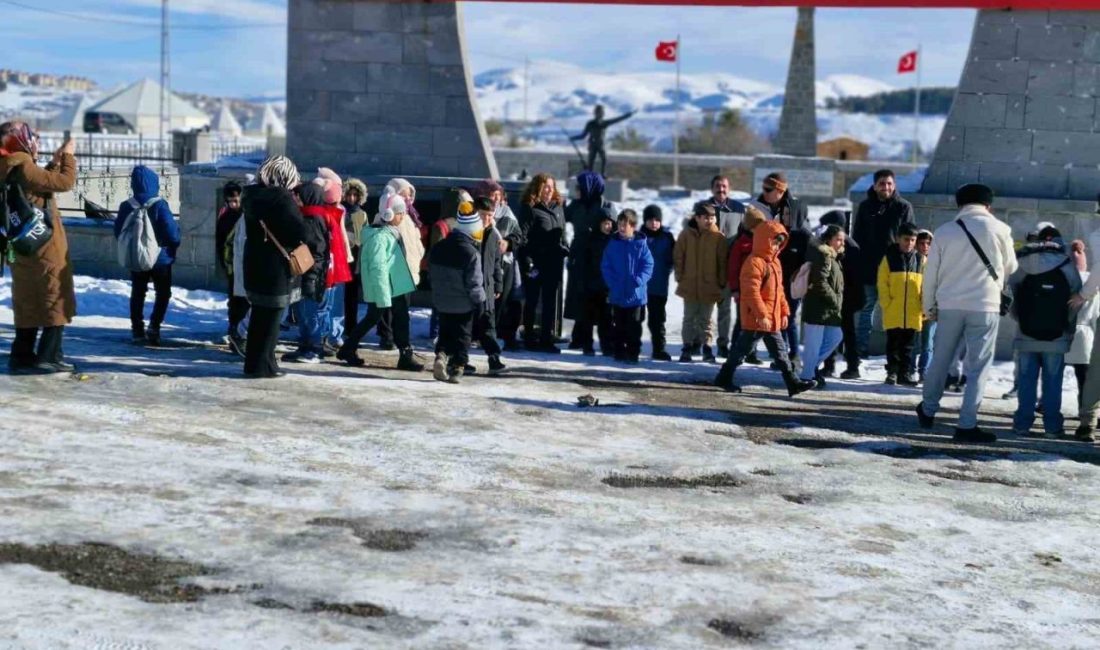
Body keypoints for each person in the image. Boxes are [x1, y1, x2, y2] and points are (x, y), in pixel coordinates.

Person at [915, 183, 1017, 442]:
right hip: (985, 305)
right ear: (988, 205)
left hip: (948, 304)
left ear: (959, 204)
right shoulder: (1001, 230)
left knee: (940, 359)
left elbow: (931, 275)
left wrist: (929, 307)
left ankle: (928, 410)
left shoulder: (945, 231)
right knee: (978, 366)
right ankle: (966, 424)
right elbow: (1011, 267)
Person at [0, 122, 77, 374]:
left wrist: (52, 164)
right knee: (54, 296)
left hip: (23, 248)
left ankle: (22, 355)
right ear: (20, 141)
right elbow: (64, 183)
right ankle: (49, 355)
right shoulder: (21, 164)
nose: (36, 141)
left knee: (28, 300)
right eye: (31, 137)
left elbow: (38, 187)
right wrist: (68, 157)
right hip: (43, 247)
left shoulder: (9, 166)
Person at [713, 221, 816, 397]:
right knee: (741, 352)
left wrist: (784, 312)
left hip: (770, 318)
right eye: (774, 241)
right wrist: (762, 315)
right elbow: (751, 292)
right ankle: (724, 377)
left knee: (780, 353)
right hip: (757, 318)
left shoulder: (774, 263)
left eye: (780, 243)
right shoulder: (754, 262)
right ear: (764, 240)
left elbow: (780, 291)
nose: (777, 246)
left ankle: (793, 383)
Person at [1007, 226, 1081, 438]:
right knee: (1053, 381)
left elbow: (1011, 294)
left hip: (1026, 334)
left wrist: (1021, 319)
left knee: (1026, 379)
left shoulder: (1022, 263)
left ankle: (1022, 424)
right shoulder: (1067, 264)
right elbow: (1076, 300)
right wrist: (1066, 325)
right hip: (1056, 336)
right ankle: (1052, 426)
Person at [338, 193, 424, 372]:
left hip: (396, 286)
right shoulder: (380, 237)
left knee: (399, 319)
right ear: (390, 214)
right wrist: (383, 294)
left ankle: (405, 353)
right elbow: (378, 268)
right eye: (400, 213)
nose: (402, 217)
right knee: (374, 317)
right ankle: (348, 348)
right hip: (386, 288)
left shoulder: (389, 233)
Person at [241, 155, 309, 379]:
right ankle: (265, 365)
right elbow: (298, 231)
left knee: (260, 317)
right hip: (276, 269)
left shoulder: (251, 195)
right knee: (271, 320)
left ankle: (255, 363)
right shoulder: (280, 198)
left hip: (256, 263)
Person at [114, 165, 181, 346]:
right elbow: (172, 234)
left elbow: (118, 232)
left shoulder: (126, 206)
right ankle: (154, 327)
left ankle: (137, 329)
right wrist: (172, 246)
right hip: (161, 259)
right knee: (163, 293)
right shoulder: (159, 205)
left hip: (137, 258)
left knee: (138, 293)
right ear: (154, 183)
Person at [852, 169, 914, 357]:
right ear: (874, 185)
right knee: (867, 309)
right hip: (869, 268)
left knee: (894, 311)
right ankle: (860, 348)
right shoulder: (865, 207)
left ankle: (894, 354)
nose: (885, 187)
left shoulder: (903, 207)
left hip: (895, 268)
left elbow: (910, 238)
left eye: (889, 184)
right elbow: (857, 237)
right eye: (882, 183)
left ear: (894, 185)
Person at [429, 202, 486, 383]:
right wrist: (480, 301)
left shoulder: (438, 248)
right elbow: (474, 283)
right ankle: (458, 368)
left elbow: (432, 276)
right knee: (462, 336)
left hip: (442, 302)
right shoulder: (471, 253)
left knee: (445, 332)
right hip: (463, 305)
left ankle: (441, 355)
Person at [372, 179, 426, 350]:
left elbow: (414, 242)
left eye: (409, 194)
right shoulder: (384, 214)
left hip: (409, 267)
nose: (407, 197)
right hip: (393, 267)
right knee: (386, 305)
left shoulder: (410, 216)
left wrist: (419, 253)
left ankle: (399, 337)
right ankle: (386, 336)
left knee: (402, 306)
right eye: (403, 193)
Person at [518, 173, 568, 353]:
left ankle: (547, 338)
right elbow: (521, 238)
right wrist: (527, 262)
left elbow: (562, 233)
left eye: (551, 186)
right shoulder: (530, 208)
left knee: (550, 302)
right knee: (531, 301)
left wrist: (565, 247)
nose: (549, 190)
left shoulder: (558, 207)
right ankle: (529, 337)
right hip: (535, 264)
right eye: (545, 186)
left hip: (553, 263)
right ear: (537, 188)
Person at [565, 170, 614, 351]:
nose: (576, 190)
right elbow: (561, 216)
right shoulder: (576, 205)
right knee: (580, 296)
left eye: (579, 186)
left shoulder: (605, 205)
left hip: (598, 256)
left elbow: (613, 228)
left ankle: (604, 341)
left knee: (599, 299)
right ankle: (580, 337)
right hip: (579, 256)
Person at [474, 179, 525, 351]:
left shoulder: (508, 213)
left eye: (498, 195)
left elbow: (519, 236)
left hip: (504, 263)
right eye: (491, 195)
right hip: (481, 262)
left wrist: (508, 242)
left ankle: (494, 336)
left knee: (501, 300)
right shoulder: (475, 211)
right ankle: (479, 335)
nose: (495, 198)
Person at [697, 175, 745, 357]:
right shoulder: (702, 208)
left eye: (724, 186)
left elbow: (743, 238)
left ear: (729, 188)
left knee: (724, 310)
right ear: (712, 189)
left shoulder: (739, 209)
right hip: (708, 267)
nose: (721, 189)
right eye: (717, 186)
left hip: (728, 267)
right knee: (706, 310)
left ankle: (723, 344)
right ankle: (705, 344)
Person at [284, 183, 332, 364]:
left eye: (299, 196)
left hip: (309, 275)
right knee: (302, 312)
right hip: (303, 273)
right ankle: (305, 346)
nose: (296, 200)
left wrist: (312, 276)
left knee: (309, 312)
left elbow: (318, 251)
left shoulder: (313, 218)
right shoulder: (308, 216)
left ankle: (314, 348)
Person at [674, 203, 728, 363]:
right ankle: (686, 348)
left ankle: (707, 348)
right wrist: (680, 276)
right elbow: (678, 256)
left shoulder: (718, 237)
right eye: (705, 218)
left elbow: (722, 261)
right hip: (689, 283)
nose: (709, 221)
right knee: (689, 318)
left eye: (712, 218)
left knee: (706, 319)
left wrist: (721, 280)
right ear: (697, 218)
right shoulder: (686, 235)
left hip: (709, 284)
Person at [601, 209, 654, 363]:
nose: (622, 228)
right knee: (619, 326)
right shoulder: (612, 244)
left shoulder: (640, 245)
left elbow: (648, 265)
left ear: (633, 226)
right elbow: (606, 265)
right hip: (618, 294)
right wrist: (612, 283)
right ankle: (619, 352)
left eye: (625, 225)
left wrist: (639, 280)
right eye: (620, 224)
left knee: (634, 327)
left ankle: (633, 353)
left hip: (636, 295)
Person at [816, 210, 863, 379]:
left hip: (845, 298)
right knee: (840, 332)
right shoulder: (845, 244)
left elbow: (851, 277)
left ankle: (847, 366)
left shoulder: (848, 247)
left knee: (842, 333)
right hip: (843, 297)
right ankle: (840, 365)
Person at [798, 224, 846, 388]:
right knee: (813, 344)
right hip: (818, 308)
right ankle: (806, 376)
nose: (841, 243)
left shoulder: (834, 258)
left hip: (828, 311)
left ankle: (810, 368)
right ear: (829, 240)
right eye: (838, 239)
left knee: (835, 337)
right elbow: (820, 282)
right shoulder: (824, 256)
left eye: (842, 240)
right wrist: (834, 299)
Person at [877, 222, 924, 386]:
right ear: (898, 239)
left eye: (912, 240)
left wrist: (923, 305)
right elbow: (882, 282)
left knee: (909, 346)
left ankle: (905, 373)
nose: (909, 243)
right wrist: (886, 302)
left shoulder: (920, 260)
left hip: (913, 311)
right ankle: (892, 372)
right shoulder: (889, 257)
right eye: (906, 239)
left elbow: (926, 285)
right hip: (894, 309)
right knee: (893, 344)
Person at [313, 167, 352, 353]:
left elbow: (342, 234)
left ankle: (334, 334)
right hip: (329, 261)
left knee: (336, 301)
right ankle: (324, 334)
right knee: (326, 301)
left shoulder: (339, 210)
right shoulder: (321, 211)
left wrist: (347, 253)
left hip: (338, 259)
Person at [726, 205, 769, 365]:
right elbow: (733, 268)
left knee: (756, 321)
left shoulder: (763, 242)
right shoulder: (741, 244)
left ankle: (751, 352)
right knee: (742, 321)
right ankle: (735, 350)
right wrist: (735, 289)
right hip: (744, 290)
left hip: (760, 289)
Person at [471, 196, 507, 374]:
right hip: (470, 289)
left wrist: (498, 285)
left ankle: (494, 357)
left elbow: (497, 264)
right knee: (466, 326)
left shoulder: (493, 235)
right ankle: (458, 358)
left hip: (488, 287)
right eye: (483, 215)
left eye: (490, 215)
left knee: (489, 326)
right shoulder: (468, 233)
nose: (487, 219)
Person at [215, 180, 249, 356]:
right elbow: (222, 245)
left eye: (237, 200)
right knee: (235, 303)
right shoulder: (226, 218)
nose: (235, 204)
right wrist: (227, 266)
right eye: (231, 201)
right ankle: (234, 331)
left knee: (243, 303)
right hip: (233, 267)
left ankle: (240, 333)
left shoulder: (245, 215)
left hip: (243, 266)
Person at [1066, 240, 1098, 418]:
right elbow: (1095, 315)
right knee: (1084, 379)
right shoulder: (1091, 285)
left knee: (1052, 376)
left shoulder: (1063, 280)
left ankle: (1047, 407)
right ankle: (1084, 412)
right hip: (1085, 335)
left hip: (1061, 334)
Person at [643, 204, 675, 361]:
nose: (654, 223)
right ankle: (630, 346)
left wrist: (667, 271)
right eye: (650, 220)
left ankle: (659, 349)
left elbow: (674, 259)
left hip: (659, 286)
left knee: (658, 320)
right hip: (639, 287)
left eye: (657, 220)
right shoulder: (639, 236)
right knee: (634, 319)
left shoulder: (667, 238)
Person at [580, 211, 615, 356]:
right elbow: (584, 262)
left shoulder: (614, 240)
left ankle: (606, 346)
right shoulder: (591, 239)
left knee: (606, 319)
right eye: (605, 224)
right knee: (588, 319)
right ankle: (587, 346)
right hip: (591, 285)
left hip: (607, 286)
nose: (607, 227)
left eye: (609, 224)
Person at [569, 104, 635, 175]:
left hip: (601, 145)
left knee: (604, 159)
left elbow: (617, 119)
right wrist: (573, 138)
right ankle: (590, 174)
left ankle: (603, 174)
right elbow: (583, 136)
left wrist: (628, 115)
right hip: (592, 145)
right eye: (598, 112)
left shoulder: (604, 123)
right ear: (595, 113)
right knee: (591, 161)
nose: (599, 114)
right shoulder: (590, 123)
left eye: (601, 112)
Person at [341, 178, 369, 334]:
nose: (351, 198)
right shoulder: (341, 211)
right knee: (341, 295)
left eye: (354, 195)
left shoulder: (362, 214)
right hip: (343, 256)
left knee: (352, 294)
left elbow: (364, 234)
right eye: (349, 195)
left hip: (357, 257)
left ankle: (350, 326)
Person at [911, 229, 935, 382]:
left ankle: (924, 371)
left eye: (928, 243)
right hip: (914, 307)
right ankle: (911, 370)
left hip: (931, 306)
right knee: (913, 342)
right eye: (922, 243)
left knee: (928, 342)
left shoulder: (936, 261)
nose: (925, 246)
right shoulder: (912, 260)